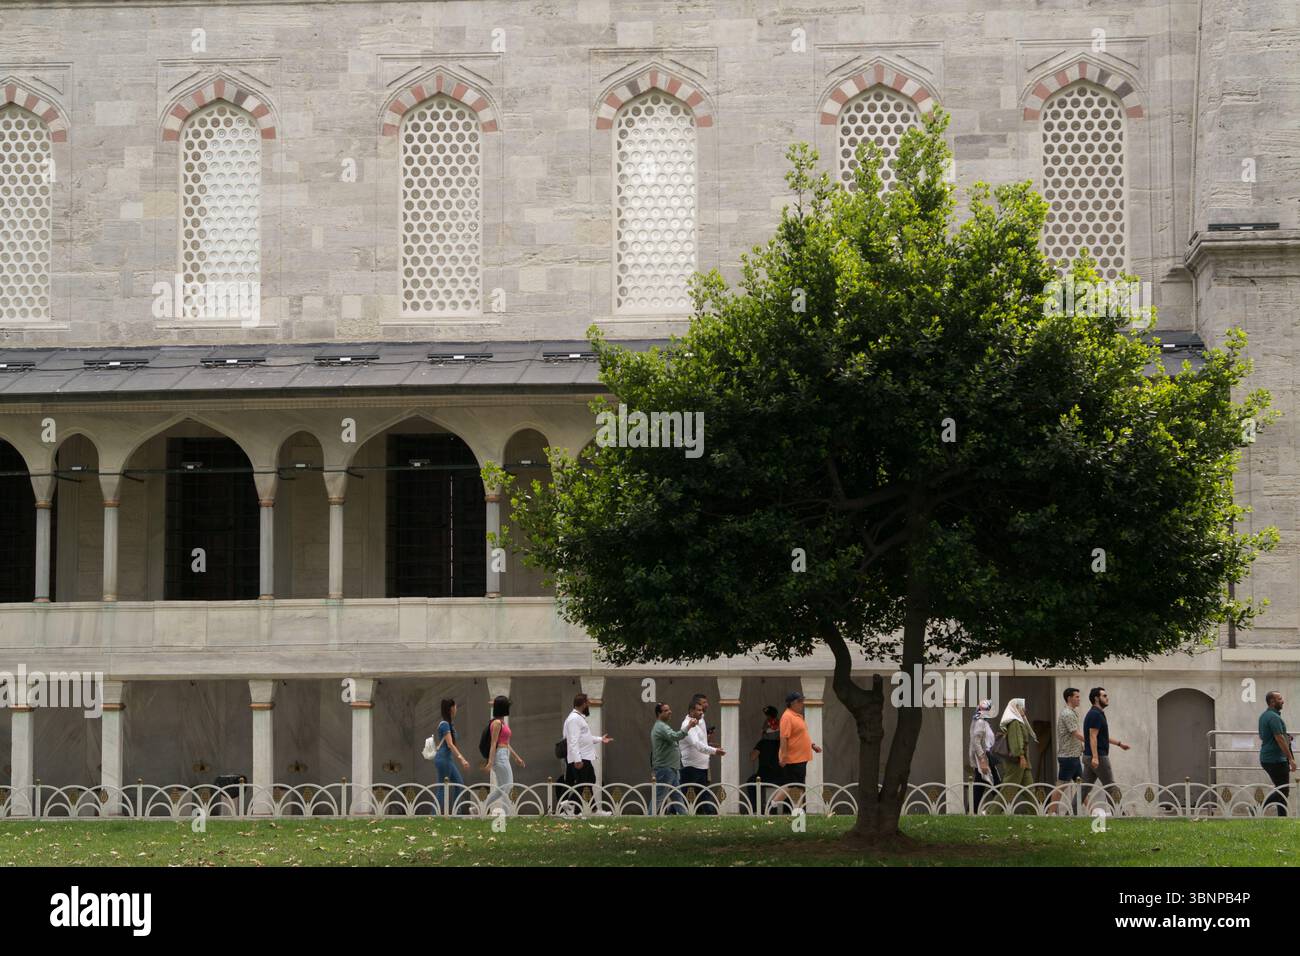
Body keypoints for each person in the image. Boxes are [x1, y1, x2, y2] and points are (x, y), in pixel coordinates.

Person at [1081, 687, 1129, 808]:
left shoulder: (1097, 714)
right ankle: (1119, 814)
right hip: (1098, 756)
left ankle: (1068, 815)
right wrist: (1096, 757)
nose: (1107, 698)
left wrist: (1119, 744)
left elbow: (1102, 736)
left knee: (1084, 790)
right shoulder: (1095, 714)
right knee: (1111, 787)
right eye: (1104, 696)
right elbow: (1093, 736)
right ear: (1097, 698)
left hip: (1090, 756)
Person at [563, 692, 612, 811]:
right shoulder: (574, 719)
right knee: (583, 783)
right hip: (581, 757)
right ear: (584, 704)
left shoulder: (577, 718)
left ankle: (594, 809)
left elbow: (585, 738)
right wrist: (577, 760)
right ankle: (569, 804)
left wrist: (601, 739)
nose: (588, 706)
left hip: (584, 756)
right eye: (588, 703)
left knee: (589, 782)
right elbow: (573, 741)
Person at [650, 702, 697, 815]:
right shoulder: (661, 727)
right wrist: (689, 726)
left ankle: (684, 816)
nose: (670, 712)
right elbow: (675, 736)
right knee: (659, 796)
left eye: (669, 709)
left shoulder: (663, 726)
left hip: (671, 768)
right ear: (659, 713)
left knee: (677, 796)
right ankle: (649, 817)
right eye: (666, 710)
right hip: (665, 768)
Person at [680, 696, 724, 814]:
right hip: (691, 767)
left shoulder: (700, 720)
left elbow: (702, 742)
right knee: (684, 794)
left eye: (702, 709)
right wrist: (714, 751)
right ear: (691, 711)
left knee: (703, 794)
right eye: (698, 710)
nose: (701, 712)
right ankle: (674, 812)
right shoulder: (687, 726)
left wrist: (709, 745)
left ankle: (707, 815)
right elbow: (697, 745)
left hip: (702, 766)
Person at [482, 695, 525, 816]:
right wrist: (490, 762)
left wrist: (516, 757)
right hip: (500, 756)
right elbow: (493, 743)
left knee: (501, 789)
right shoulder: (496, 723)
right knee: (508, 787)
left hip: (503, 754)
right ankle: (506, 814)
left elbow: (506, 743)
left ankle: (481, 807)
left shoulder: (501, 722)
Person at [778, 691, 822, 807]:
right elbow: (784, 738)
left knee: (796, 785)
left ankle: (795, 809)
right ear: (792, 703)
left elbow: (801, 736)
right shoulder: (787, 717)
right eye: (800, 701)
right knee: (793, 785)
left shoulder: (797, 716)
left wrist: (812, 745)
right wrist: (784, 756)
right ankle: (775, 806)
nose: (802, 703)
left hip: (800, 757)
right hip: (793, 757)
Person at [1047, 687, 1084, 815]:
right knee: (1062, 785)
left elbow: (1074, 734)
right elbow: (1075, 733)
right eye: (1077, 697)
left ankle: (1091, 811)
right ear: (1069, 698)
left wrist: (1081, 746)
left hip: (1073, 756)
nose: (1079, 699)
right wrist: (1091, 741)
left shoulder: (1071, 712)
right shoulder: (1067, 714)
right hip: (1068, 757)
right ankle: (1051, 812)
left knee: (1082, 786)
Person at [1259, 691, 1296, 817]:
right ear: (1272, 702)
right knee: (1283, 790)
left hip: (1268, 758)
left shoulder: (1264, 716)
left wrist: (1286, 737)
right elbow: (1279, 739)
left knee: (1282, 790)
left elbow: (1263, 736)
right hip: (1275, 760)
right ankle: (1257, 808)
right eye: (1280, 699)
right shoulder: (1274, 718)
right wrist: (1290, 759)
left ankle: (1282, 818)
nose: (1283, 701)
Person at [433, 698, 471, 815]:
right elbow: (450, 744)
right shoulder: (445, 724)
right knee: (442, 787)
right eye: (455, 706)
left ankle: (456, 812)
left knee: (459, 784)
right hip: (443, 759)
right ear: (451, 708)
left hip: (447, 759)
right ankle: (434, 814)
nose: (456, 709)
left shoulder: (449, 724)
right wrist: (462, 759)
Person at [998, 698, 1036, 810]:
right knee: (1008, 788)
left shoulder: (1019, 722)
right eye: (1022, 707)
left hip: (1023, 761)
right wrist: (1021, 756)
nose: (1025, 709)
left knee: (1029, 790)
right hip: (1017, 762)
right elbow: (1016, 741)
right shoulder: (1014, 723)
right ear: (1016, 708)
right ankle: (992, 811)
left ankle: (1036, 812)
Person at [746, 705, 784, 813]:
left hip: (764, 776)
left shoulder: (762, 743)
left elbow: (752, 757)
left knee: (750, 782)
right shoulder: (782, 743)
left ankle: (755, 809)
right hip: (779, 776)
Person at [968, 699, 998, 813]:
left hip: (985, 756)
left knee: (979, 786)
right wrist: (983, 760)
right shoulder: (980, 722)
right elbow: (976, 742)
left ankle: (972, 810)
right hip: (984, 757)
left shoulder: (982, 722)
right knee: (996, 785)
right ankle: (997, 809)